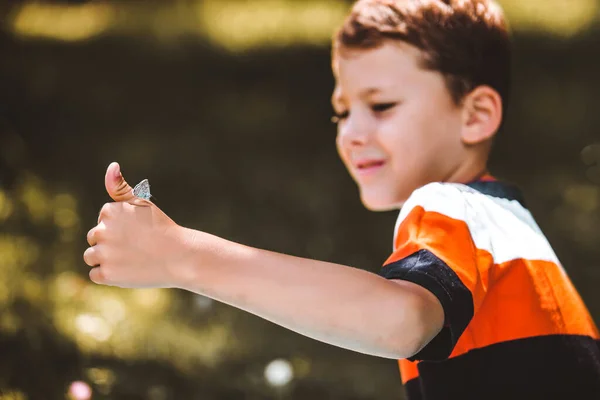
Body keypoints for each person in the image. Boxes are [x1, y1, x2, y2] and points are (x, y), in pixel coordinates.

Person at [83, 0, 600, 398]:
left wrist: (183, 255)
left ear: (475, 115)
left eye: (381, 105)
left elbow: (401, 322)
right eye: (341, 112)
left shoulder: (451, 206)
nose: (351, 132)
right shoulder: (505, 226)